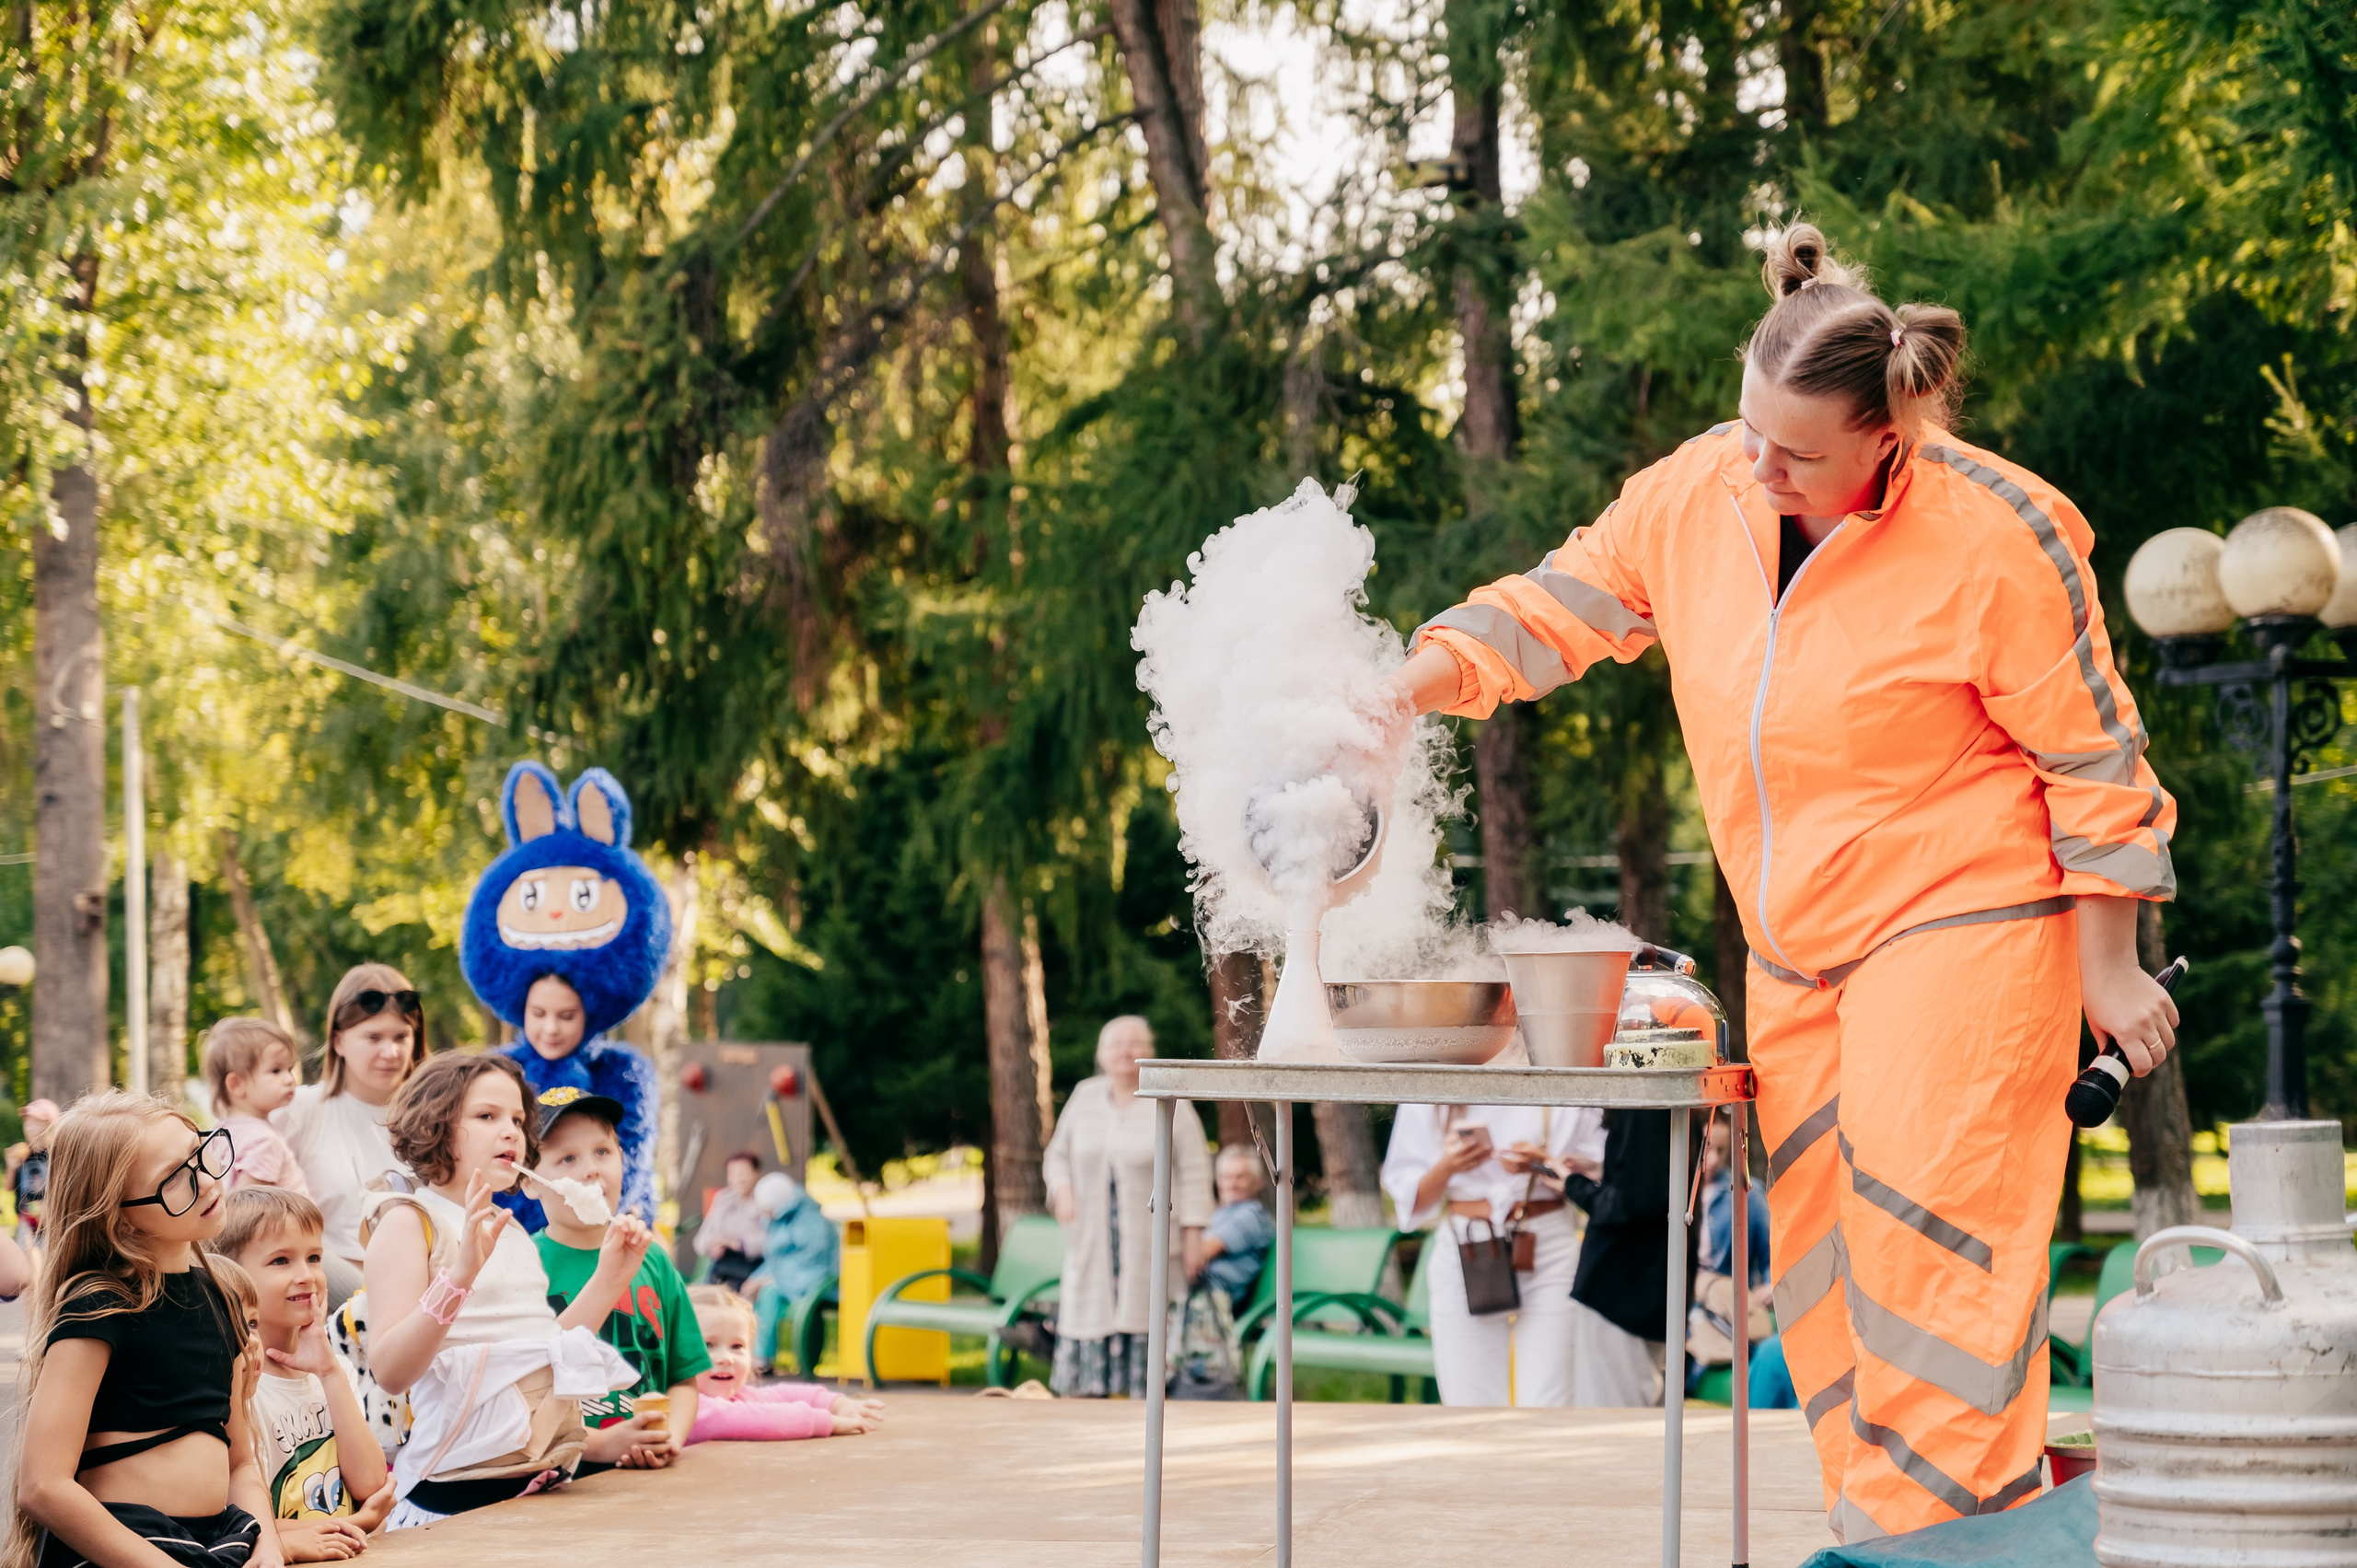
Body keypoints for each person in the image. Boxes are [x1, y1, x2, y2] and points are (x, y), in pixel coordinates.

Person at [1385, 222, 2180, 1539]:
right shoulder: (1702, 487)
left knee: (1933, 1269)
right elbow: (1556, 602)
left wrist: (2107, 964)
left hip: (1966, 922)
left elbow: (2095, 764)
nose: (1757, 468)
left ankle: (1936, 1557)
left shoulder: (1996, 533)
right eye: (1749, 429)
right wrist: (1400, 689)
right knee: (1821, 1286)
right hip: (1797, 950)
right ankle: (1894, 1542)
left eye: (1795, 453)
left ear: (1890, 434)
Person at [359, 1052, 649, 1529]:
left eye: (517, 1119)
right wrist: (459, 1278)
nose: (512, 1132)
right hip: (451, 1504)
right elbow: (390, 1371)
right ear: (436, 1127)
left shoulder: (511, 1231)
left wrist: (611, 1276)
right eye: (487, 1116)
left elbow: (546, 1353)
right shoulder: (408, 1223)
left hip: (539, 1489)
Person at [12, 1092, 282, 1568]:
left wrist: (267, 1542)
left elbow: (240, 1460)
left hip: (217, 1545)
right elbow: (42, 1486)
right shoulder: (97, 1307)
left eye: (198, 1153)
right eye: (174, 1178)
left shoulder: (220, 1297)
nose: (206, 1181)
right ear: (118, 1216)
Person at [460, 762, 671, 1231]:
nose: (550, 1028)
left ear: (587, 1013)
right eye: (539, 1013)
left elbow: (632, 1165)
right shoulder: (497, 1071)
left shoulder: (622, 1073)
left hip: (598, 1240)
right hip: (509, 1240)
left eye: (566, 1015)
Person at [207, 1188, 392, 1562]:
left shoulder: (333, 1370)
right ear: (231, 1276)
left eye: (314, 1258)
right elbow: (239, 1518)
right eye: (281, 1260)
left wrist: (329, 1372)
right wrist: (357, 1521)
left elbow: (370, 1483)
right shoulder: (233, 1383)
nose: (307, 1276)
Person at [528, 1086, 709, 1465]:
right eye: (567, 1158)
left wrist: (668, 1439)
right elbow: (520, 1396)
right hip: (558, 1482)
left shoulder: (653, 1260)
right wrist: (599, 1445)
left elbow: (683, 1378)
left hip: (646, 1479)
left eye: (602, 1152)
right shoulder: (522, 1266)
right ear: (529, 1181)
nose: (591, 1169)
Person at [1380, 1103, 1596, 1407]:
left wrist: (1543, 1164)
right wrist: (1448, 1166)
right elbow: (1409, 1200)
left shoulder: (1564, 1077)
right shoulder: (1433, 1083)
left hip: (1547, 1243)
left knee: (1550, 1403)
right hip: (1468, 1246)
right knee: (1469, 1405)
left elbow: (1601, 1177)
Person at [1042, 1016, 1212, 1400]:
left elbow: (1195, 1170)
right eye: (1115, 1043)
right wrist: (1063, 1189)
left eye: (1134, 1042)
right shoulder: (1084, 1096)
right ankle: (1091, 1398)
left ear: (1149, 1050)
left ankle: (1146, 1404)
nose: (1125, 1051)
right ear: (1100, 1054)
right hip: (1092, 1237)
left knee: (1147, 1310)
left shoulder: (1169, 1097)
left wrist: (1193, 1234)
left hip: (1150, 1236)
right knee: (1091, 1309)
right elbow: (1056, 1156)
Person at [276, 966, 430, 1309]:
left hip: (423, 1297)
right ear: (338, 1041)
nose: (390, 1052)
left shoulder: (436, 1120)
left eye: (401, 1037)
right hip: (327, 1301)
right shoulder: (297, 1111)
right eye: (373, 1038)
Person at [1552, 1110, 1682, 1408]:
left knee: (1612, 1414)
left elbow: (1635, 1202)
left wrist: (1574, 1186)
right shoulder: (1669, 1104)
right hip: (1650, 1285)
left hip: (1622, 1288)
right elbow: (1652, 1178)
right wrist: (1604, 1169)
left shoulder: (1645, 1105)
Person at [682, 1285, 883, 1442]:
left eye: (737, 1346)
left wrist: (837, 1404)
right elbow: (758, 1419)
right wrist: (828, 1422)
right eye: (707, 1345)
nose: (726, 1358)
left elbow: (781, 1394)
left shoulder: (740, 1396)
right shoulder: (688, 1408)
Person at [1688, 1112, 1778, 1401]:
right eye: (1706, 1148)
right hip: (1685, 1303)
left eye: (1721, 1150)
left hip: (1722, 1306)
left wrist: (1771, 1285)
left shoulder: (1745, 1193)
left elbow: (1771, 1253)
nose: (1713, 1159)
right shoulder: (1673, 1191)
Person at [204, 1020, 312, 1196]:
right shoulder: (263, 1141)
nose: (289, 1079)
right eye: (276, 1070)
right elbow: (246, 1207)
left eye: (290, 1069)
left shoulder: (218, 1133)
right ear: (237, 1084)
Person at [745, 1170, 835, 1375]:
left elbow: (812, 1261)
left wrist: (769, 1279)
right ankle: (753, 1355)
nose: (764, 1213)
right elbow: (777, 1258)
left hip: (816, 1280)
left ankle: (762, 1359)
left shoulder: (810, 1220)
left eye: (767, 1209)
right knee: (753, 1293)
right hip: (792, 1279)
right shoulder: (779, 1220)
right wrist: (757, 1278)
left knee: (769, 1292)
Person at [1193, 1145, 1274, 1307]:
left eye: (1239, 1177)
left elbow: (1200, 1253)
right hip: (1201, 1292)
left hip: (1216, 1300)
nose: (1231, 1184)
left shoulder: (1252, 1215)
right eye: (1225, 1177)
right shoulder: (1221, 1212)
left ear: (1257, 1182)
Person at [692, 1152, 768, 1292]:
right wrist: (711, 1245)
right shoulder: (723, 1199)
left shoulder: (765, 1201)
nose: (739, 1178)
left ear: (757, 1173)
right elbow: (700, 1239)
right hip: (721, 1268)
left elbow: (772, 1242)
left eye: (744, 1172)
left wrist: (738, 1244)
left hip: (753, 1269)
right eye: (733, 1173)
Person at [10, 1097, 60, 1259]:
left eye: (35, 1123)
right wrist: (11, 1166)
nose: (29, 1128)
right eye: (27, 1123)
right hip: (26, 1222)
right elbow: (10, 1187)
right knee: (26, 1260)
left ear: (49, 1125)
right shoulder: (23, 1154)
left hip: (51, 1224)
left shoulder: (56, 1155)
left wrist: (49, 1207)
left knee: (47, 1261)